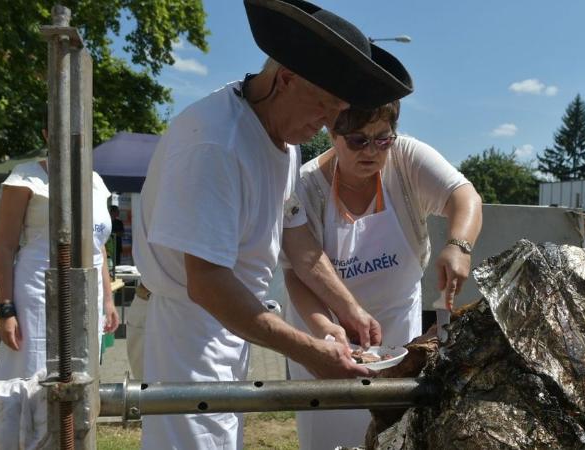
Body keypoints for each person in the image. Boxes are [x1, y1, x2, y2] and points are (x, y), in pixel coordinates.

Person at [131, 1, 413, 448]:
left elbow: (295, 236)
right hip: (185, 330)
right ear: (285, 79)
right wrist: (306, 349)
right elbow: (206, 283)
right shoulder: (216, 144)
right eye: (323, 108)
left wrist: (345, 310)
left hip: (226, 326)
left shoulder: (280, 137)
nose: (325, 125)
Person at [283, 101, 483, 449]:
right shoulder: (305, 187)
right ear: (332, 132)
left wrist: (458, 245)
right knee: (330, 436)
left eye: (383, 140)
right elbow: (298, 273)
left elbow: (464, 197)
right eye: (358, 141)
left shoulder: (407, 160)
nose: (372, 151)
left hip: (395, 331)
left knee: (392, 434)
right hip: (324, 329)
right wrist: (326, 330)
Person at [0, 157, 120, 380]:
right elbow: (5, 247)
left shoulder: (95, 181)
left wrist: (108, 300)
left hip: (88, 293)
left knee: (82, 369)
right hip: (37, 292)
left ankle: (77, 415)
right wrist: (6, 309)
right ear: (46, 132)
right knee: (35, 370)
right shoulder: (26, 177)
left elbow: (97, 245)